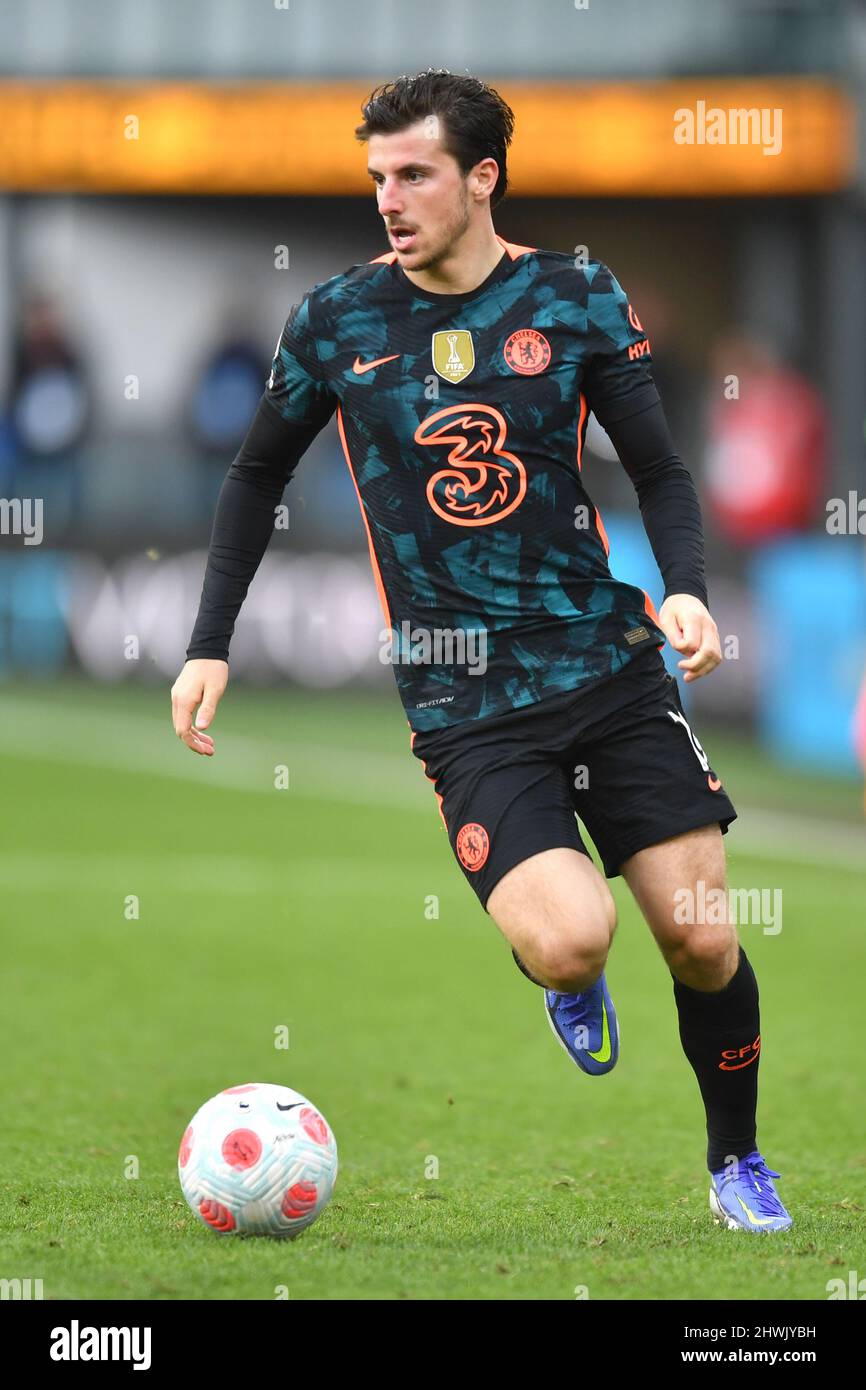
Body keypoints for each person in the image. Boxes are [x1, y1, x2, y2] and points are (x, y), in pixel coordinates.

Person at [171, 69, 791, 1234]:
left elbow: (659, 469)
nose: (387, 199)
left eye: (413, 174)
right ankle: (563, 975)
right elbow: (253, 475)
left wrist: (687, 594)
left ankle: (735, 1161)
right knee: (571, 942)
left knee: (702, 937)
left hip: (606, 665)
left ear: (480, 178)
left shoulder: (572, 297)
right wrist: (210, 643)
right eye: (377, 178)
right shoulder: (336, 322)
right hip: (464, 699)